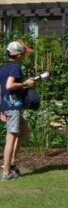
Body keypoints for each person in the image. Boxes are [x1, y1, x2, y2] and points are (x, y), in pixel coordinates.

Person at [1, 40, 36, 181]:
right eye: (23, 53)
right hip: (13, 107)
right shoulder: (15, 67)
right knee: (11, 138)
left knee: (25, 130)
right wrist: (25, 83)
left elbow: (1, 89)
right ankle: (6, 173)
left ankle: (12, 162)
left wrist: (0, 108)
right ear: (19, 55)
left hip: (7, 106)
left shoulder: (3, 68)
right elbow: (9, 86)